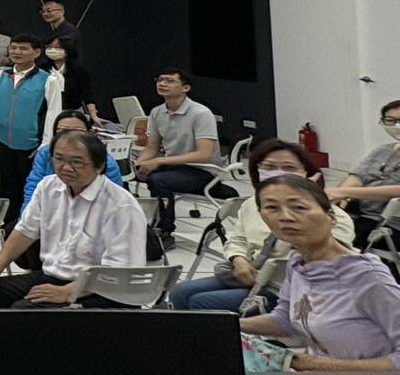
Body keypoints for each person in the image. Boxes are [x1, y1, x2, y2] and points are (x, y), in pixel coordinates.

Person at [0, 131, 146, 309]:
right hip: (54, 276)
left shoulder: (121, 206)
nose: (66, 168)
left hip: (105, 290)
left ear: (99, 166)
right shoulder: (48, 186)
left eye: (77, 162)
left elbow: (119, 272)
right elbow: (24, 231)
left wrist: (68, 292)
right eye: (59, 159)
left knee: (24, 309)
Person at [170, 140, 353, 312]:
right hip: (251, 273)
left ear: (308, 174)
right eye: (269, 167)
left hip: (287, 286)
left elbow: (325, 260)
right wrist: (239, 260)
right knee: (180, 292)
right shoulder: (253, 204)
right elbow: (238, 239)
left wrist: (304, 202)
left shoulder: (331, 217)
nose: (279, 173)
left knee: (202, 302)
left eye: (289, 168)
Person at [239, 175, 400, 371]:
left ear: (331, 217)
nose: (285, 217)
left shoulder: (368, 278)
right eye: (272, 208)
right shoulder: (298, 265)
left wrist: (314, 364)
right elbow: (285, 319)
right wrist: (227, 325)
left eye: (299, 207)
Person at [137, 66, 232, 242]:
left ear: (185, 88)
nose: (162, 84)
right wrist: (139, 164)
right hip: (175, 167)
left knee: (158, 180)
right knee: (129, 175)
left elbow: (204, 154)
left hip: (203, 170)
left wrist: (159, 161)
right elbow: (151, 148)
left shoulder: (201, 113)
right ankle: (138, 225)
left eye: (170, 81)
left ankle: (164, 231)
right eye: (160, 80)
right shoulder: (157, 112)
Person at [0, 33, 63, 229]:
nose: (17, 52)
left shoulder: (48, 80)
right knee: (6, 187)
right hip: (4, 142)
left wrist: (44, 146)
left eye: (23, 48)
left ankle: (25, 227)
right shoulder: (1, 75)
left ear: (37, 53)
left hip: (31, 146)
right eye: (13, 48)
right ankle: (6, 225)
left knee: (27, 188)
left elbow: (53, 115)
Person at [329, 98, 400, 247]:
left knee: (331, 240)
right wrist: (339, 195)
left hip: (389, 224)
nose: (396, 125)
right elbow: (357, 177)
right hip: (361, 214)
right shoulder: (383, 151)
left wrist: (345, 192)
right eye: (390, 120)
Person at [22, 110, 124, 208]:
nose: (70, 136)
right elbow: (32, 188)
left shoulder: (105, 161)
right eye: (63, 131)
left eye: (77, 162)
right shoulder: (45, 154)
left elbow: (114, 198)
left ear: (89, 133)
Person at [44, 36, 100, 123]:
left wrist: (93, 115)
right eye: (49, 47)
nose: (53, 50)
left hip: (72, 113)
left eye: (58, 47)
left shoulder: (78, 71)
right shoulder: (42, 69)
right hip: (47, 114)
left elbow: (88, 95)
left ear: (68, 50)